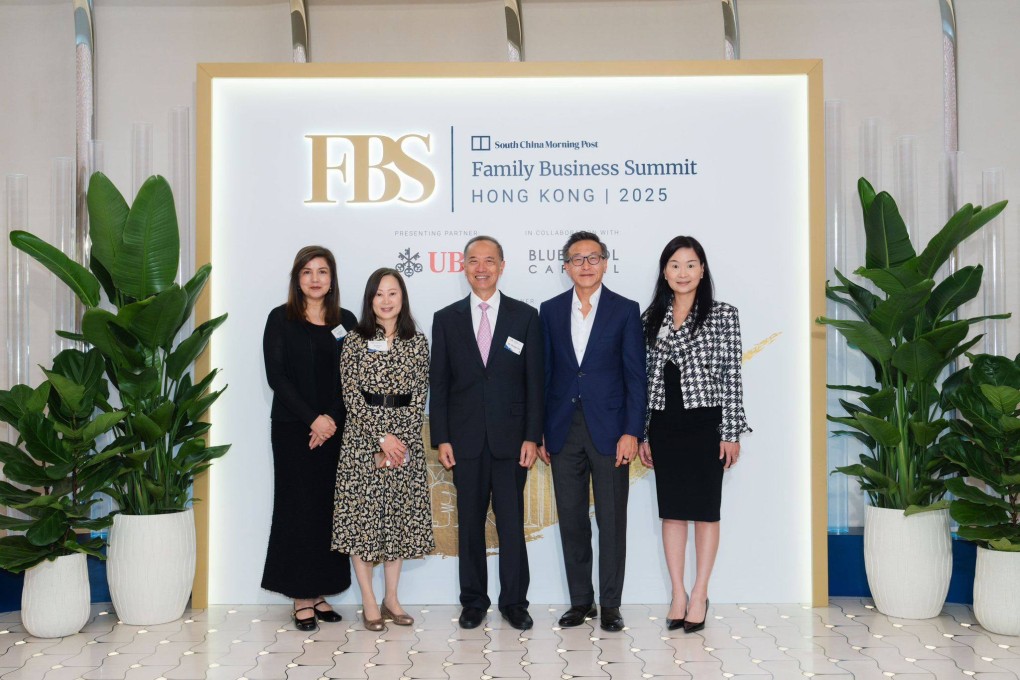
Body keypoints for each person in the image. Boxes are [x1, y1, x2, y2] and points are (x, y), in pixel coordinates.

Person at [637, 235, 751, 633]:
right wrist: (643, 433)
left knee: (704, 512)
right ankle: (678, 594)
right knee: (671, 513)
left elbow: (732, 376)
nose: (682, 273)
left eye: (690, 264)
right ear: (664, 272)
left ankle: (700, 592)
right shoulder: (650, 318)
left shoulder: (723, 315)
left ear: (702, 269)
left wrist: (731, 430)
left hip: (706, 423)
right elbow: (645, 380)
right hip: (664, 424)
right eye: (674, 265)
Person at [429, 236, 544, 631]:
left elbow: (535, 383)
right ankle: (474, 601)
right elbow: (439, 385)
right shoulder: (445, 319)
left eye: (489, 261)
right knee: (469, 523)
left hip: (513, 442)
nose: (482, 268)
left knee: (512, 524)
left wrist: (532, 436)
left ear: (502, 266)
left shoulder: (525, 317)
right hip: (463, 442)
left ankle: (515, 602)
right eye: (474, 261)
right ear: (463, 267)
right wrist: (441, 437)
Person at [538, 231, 646, 633]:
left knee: (612, 520)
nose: (585, 265)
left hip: (611, 430)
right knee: (571, 519)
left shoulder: (625, 310)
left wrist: (632, 430)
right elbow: (545, 376)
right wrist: (542, 431)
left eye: (593, 258)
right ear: (565, 266)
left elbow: (637, 376)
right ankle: (581, 602)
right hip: (563, 430)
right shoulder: (549, 311)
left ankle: (611, 605)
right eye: (577, 259)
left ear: (605, 263)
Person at [332, 268, 434, 632]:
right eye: (379, 294)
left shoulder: (417, 341)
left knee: (398, 522)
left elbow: (420, 394)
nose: (386, 301)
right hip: (362, 440)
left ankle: (392, 598)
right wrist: (382, 439)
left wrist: (399, 441)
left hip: (404, 442)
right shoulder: (355, 340)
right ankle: (370, 601)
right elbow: (350, 395)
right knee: (364, 523)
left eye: (393, 293)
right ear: (369, 299)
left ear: (402, 297)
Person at [261, 245, 355, 631]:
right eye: (307, 272)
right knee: (297, 508)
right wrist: (312, 420)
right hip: (293, 430)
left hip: (335, 430)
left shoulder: (345, 321)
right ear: (297, 279)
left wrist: (330, 418)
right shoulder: (279, 319)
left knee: (329, 511)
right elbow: (277, 377)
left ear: (332, 279)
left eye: (323, 272)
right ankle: (301, 597)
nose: (315, 279)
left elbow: (351, 377)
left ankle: (320, 592)